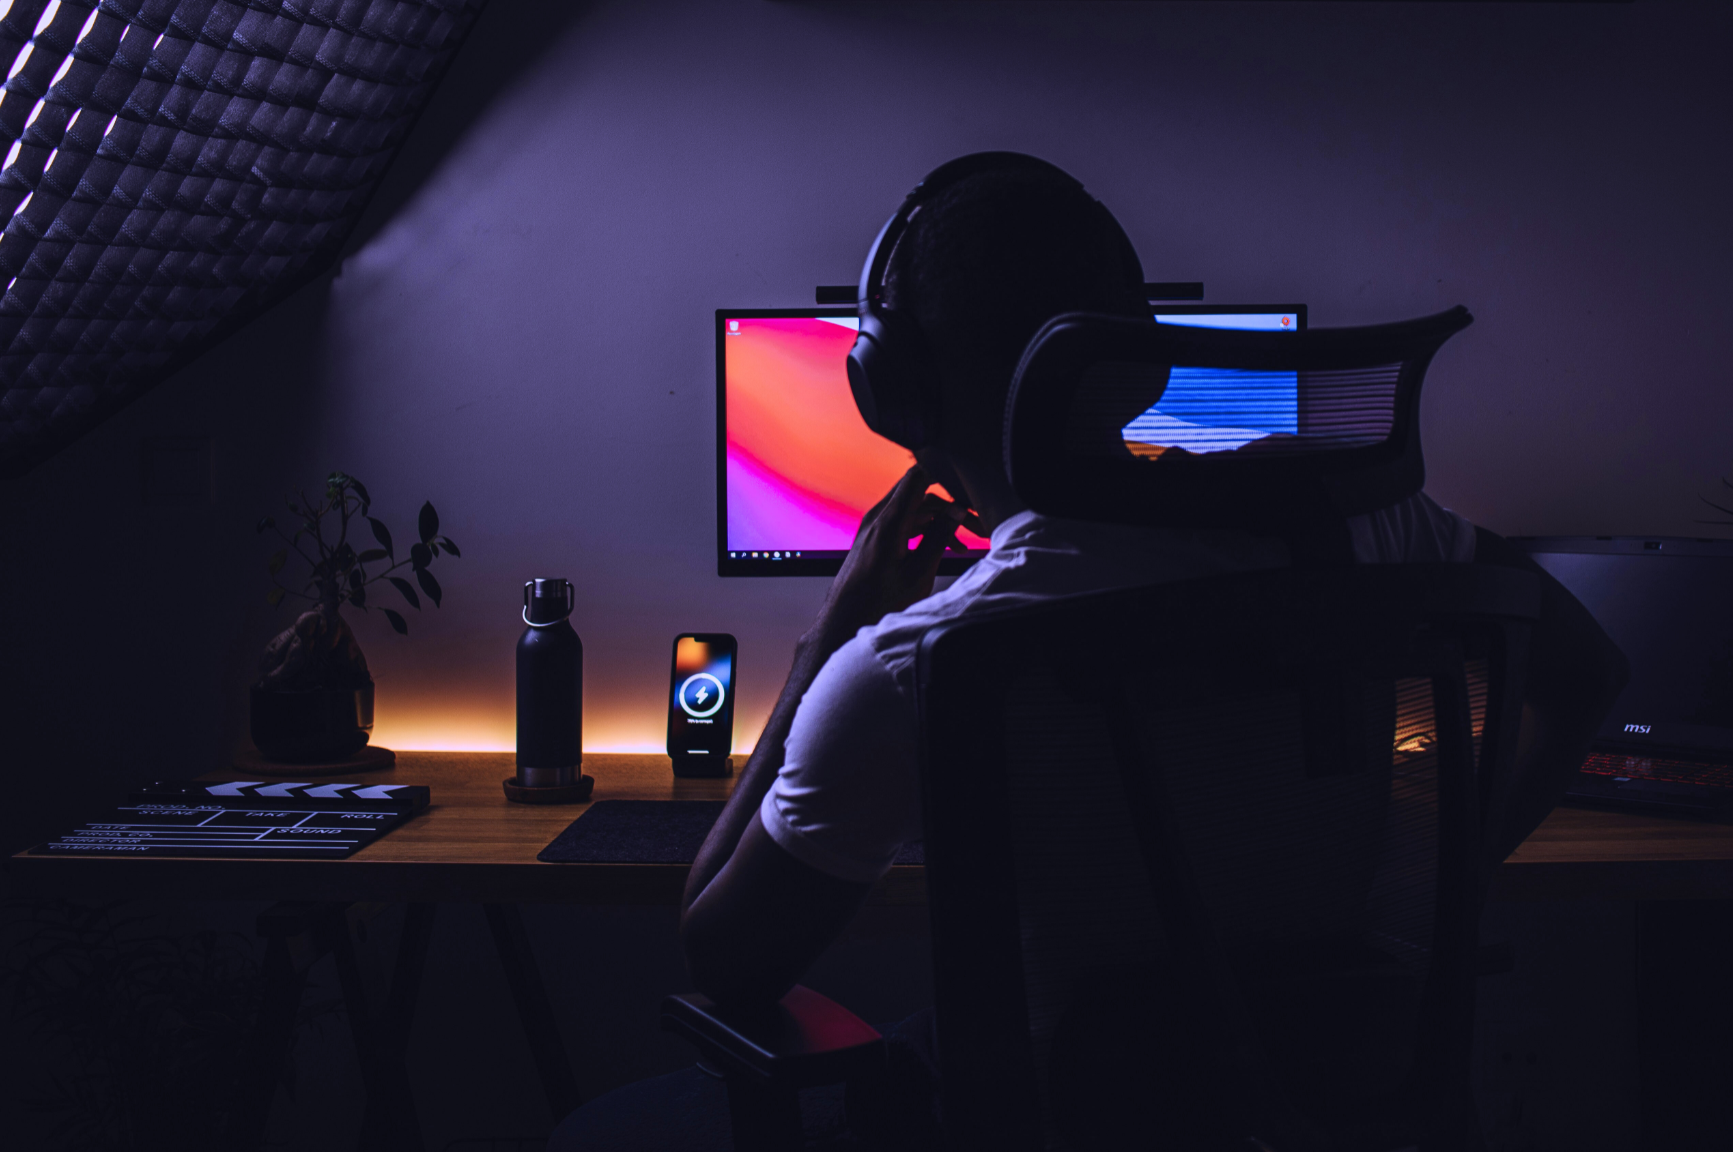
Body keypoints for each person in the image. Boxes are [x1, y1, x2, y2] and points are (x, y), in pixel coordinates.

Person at [550, 154, 1625, 1149]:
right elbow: (1589, 675)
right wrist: (1431, 894)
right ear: (1138, 356)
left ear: (888, 389)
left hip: (1060, 1112)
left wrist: (833, 633)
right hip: (1336, 1085)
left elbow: (727, 960)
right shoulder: (1383, 526)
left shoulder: (913, 663)